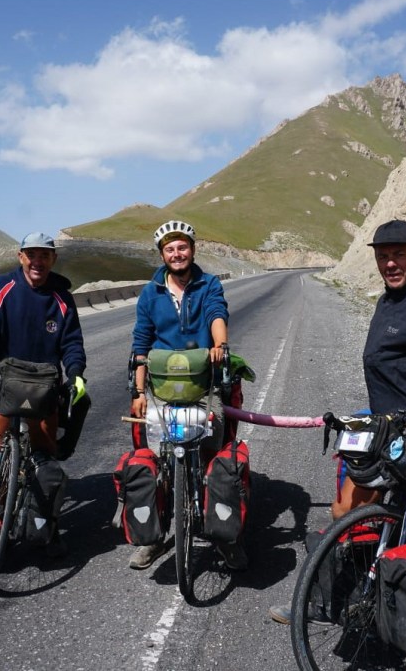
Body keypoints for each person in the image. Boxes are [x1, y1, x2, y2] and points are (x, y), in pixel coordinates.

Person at [270, 218, 406, 623]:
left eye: (399, 255)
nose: (390, 263)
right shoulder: (387, 302)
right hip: (386, 434)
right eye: (383, 256)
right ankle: (329, 601)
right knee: (345, 514)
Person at [125, 219, 247, 571]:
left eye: (182, 247)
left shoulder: (208, 284)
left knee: (215, 451)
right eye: (170, 249)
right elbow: (141, 343)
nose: (177, 254)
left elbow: (216, 314)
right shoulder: (151, 293)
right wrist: (139, 391)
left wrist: (220, 345)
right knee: (155, 458)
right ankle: (154, 536)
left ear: (192, 250)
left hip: (203, 384)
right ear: (162, 254)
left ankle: (225, 535)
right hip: (161, 387)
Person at [0, 232, 88, 557]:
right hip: (2, 382)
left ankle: (46, 525)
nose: (37, 261)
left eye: (44, 255)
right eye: (31, 254)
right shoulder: (2, 288)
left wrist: (76, 374)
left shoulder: (62, 298)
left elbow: (72, 342)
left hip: (44, 387)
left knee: (44, 455)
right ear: (21, 257)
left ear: (53, 260)